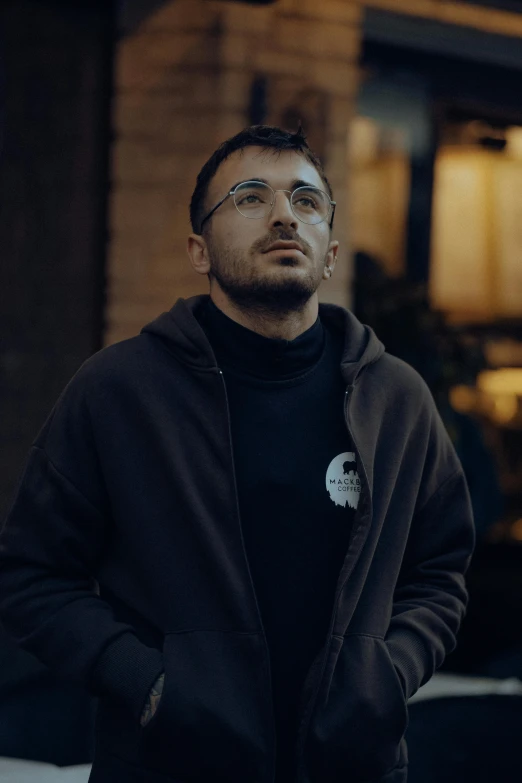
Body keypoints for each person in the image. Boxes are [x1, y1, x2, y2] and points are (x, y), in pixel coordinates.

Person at [0, 125, 475, 783]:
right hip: (169, 766)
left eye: (307, 201)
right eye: (251, 197)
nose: (285, 214)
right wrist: (147, 682)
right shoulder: (118, 391)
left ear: (330, 250)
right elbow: (31, 573)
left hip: (354, 769)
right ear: (199, 249)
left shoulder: (394, 398)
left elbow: (441, 566)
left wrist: (388, 674)